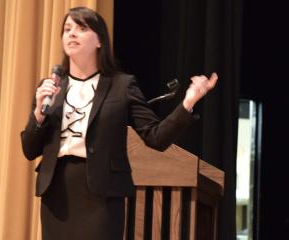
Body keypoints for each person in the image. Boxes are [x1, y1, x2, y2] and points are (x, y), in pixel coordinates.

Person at [21, 6, 218, 240]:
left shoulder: (122, 85)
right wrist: (38, 113)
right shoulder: (52, 87)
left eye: (81, 28)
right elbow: (29, 149)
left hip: (101, 196)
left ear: (99, 41)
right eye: (67, 29)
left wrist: (187, 103)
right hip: (57, 194)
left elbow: (156, 137)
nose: (72, 33)